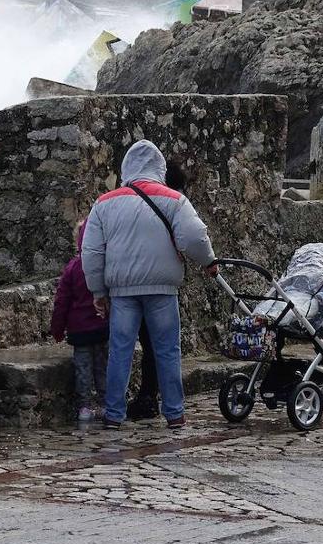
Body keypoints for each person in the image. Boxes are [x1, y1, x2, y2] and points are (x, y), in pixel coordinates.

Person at [81, 142, 216, 430]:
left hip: (122, 291)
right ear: (160, 168)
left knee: (121, 351)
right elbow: (194, 236)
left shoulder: (104, 203)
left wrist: (98, 291)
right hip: (163, 289)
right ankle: (175, 413)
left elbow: (91, 252)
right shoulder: (174, 199)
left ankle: (114, 415)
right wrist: (209, 262)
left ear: (126, 168)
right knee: (167, 350)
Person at [128, 159, 188, 420]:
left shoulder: (133, 202)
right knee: (163, 346)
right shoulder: (176, 204)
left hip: (128, 283)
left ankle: (125, 404)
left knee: (127, 345)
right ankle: (167, 406)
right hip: (162, 285)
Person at [50, 220, 108, 423]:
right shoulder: (105, 264)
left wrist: (57, 329)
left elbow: (62, 301)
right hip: (102, 328)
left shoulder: (73, 268)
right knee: (102, 368)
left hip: (79, 331)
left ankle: (84, 406)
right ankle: (105, 404)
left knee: (83, 370)